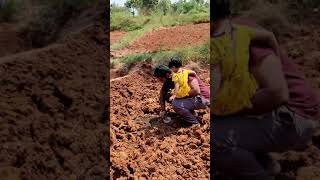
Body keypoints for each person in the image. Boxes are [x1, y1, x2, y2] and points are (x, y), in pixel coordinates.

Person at [212, 1, 320, 180]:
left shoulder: (238, 36)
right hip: (282, 112)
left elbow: (277, 93)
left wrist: (224, 112)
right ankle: (266, 165)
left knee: (212, 137)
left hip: (293, 114)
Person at [211, 0, 281, 115]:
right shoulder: (242, 32)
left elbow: (215, 81)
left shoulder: (214, 45)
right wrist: (278, 59)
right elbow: (270, 36)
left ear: (211, 21)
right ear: (228, 16)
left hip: (228, 102)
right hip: (248, 93)